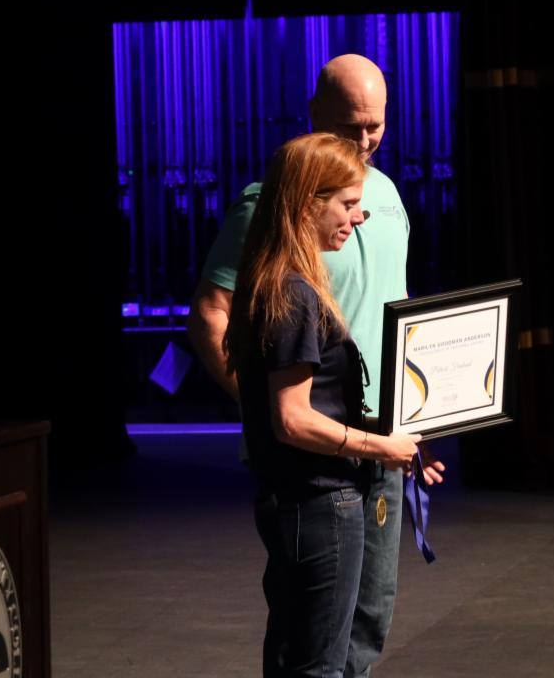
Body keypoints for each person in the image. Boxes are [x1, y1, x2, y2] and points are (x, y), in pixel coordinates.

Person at [188, 54, 444, 676]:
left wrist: (415, 419)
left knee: (367, 617)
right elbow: (212, 314)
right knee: (312, 631)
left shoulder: (385, 196)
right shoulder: (272, 206)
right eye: (352, 125)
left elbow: (396, 311)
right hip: (316, 454)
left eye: (376, 125)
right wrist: (273, 410)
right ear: (315, 114)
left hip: (378, 441)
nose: (366, 139)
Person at [225, 133, 420, 677]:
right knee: (321, 666)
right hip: (319, 501)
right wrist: (380, 448)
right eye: (348, 203)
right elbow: (292, 419)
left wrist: (386, 434)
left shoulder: (275, 283)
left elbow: (316, 404)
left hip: (300, 500)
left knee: (297, 657)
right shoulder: (294, 294)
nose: (358, 218)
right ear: (308, 203)